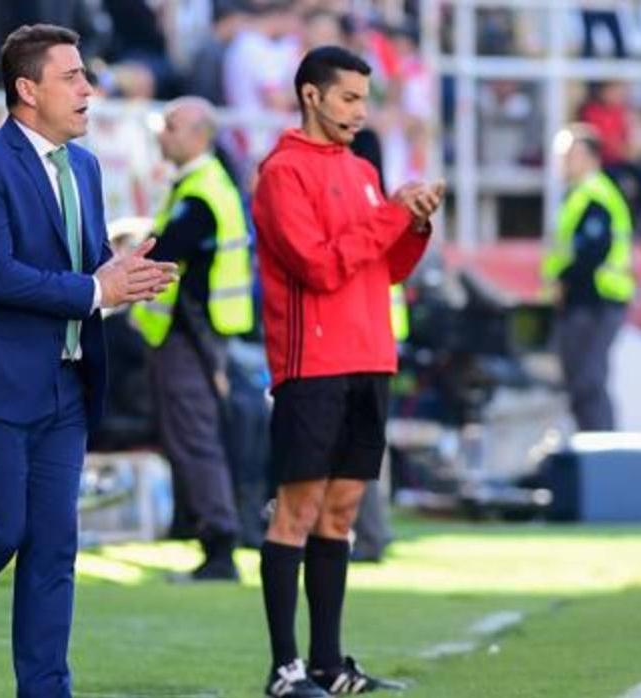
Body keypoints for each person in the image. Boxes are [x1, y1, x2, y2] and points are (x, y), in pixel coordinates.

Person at [0, 24, 176, 698]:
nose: (89, 89)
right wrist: (93, 289)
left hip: (65, 386)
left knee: (54, 547)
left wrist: (112, 272)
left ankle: (46, 691)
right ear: (27, 89)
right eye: (73, 76)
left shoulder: (84, 165)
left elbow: (77, 268)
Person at [251, 46, 441, 695]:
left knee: (341, 514)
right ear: (312, 95)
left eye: (365, 99)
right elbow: (319, 266)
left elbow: (383, 268)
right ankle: (285, 670)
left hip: (370, 357)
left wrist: (413, 226)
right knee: (297, 513)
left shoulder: (361, 169)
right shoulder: (282, 172)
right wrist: (392, 214)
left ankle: (329, 666)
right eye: (350, 98)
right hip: (314, 364)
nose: (361, 111)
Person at [134, 95, 251, 583]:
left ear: (200, 135)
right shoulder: (199, 186)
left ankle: (219, 544)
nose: (162, 133)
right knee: (192, 438)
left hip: (192, 337)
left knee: (195, 439)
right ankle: (211, 535)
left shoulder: (200, 191)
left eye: (172, 126)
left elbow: (167, 250)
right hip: (195, 336)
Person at [541, 124, 635, 432]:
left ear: (592, 158)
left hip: (596, 302)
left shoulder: (596, 196)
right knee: (580, 382)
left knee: (589, 382)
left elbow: (591, 252)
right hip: (584, 301)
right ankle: (591, 451)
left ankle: (601, 453)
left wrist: (563, 281)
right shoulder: (579, 195)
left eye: (573, 155)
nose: (566, 162)